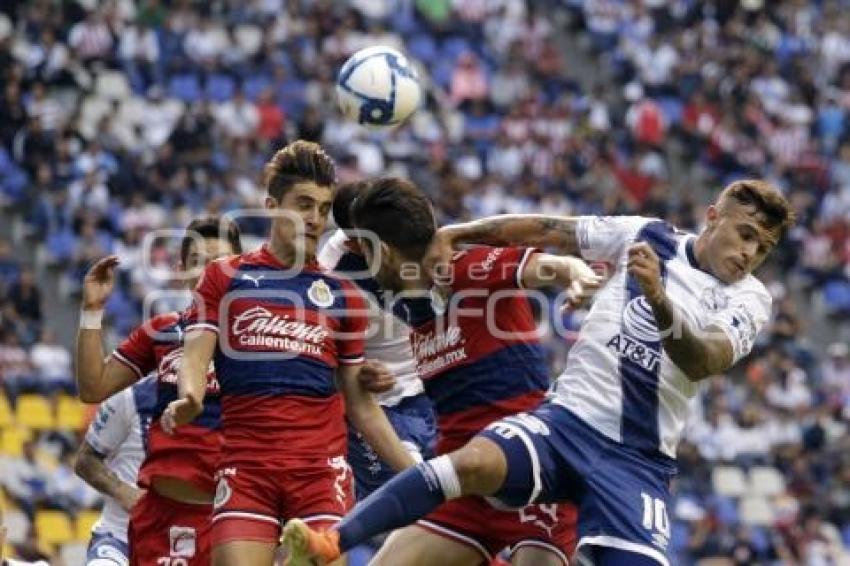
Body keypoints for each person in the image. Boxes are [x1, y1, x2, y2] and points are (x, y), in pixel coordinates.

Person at [283, 179, 796, 566]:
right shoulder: (645, 234)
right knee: (469, 465)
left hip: (636, 461)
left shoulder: (750, 298)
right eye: (745, 234)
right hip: (558, 431)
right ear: (714, 217)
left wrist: (640, 295)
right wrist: (457, 232)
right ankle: (330, 543)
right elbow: (550, 229)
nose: (750, 253)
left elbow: (703, 358)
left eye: (763, 247)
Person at [286, 177, 600, 565]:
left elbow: (544, 265)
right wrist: (363, 371)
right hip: (461, 490)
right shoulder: (404, 304)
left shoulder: (466, 268)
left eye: (366, 253)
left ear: (380, 250)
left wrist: (573, 271)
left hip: (531, 478)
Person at [163, 141, 415, 566]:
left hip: (320, 472)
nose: (315, 218)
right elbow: (195, 356)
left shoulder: (343, 296)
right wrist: (190, 396)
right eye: (303, 205)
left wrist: (420, 476)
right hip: (247, 467)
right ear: (272, 206)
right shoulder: (224, 278)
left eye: (323, 208)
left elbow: (361, 406)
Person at [75, 215, 242, 565]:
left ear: (239, 270)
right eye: (199, 262)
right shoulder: (163, 331)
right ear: (181, 270)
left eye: (221, 263)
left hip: (229, 520)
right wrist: (92, 312)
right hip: (158, 519)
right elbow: (93, 387)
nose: (210, 272)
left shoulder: (256, 337)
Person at [318, 181, 437, 564]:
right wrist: (359, 370)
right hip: (384, 407)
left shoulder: (418, 238)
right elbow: (331, 361)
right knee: (425, 512)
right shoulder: (332, 276)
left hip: (434, 388)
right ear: (354, 244)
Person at [75, 376, 157, 566]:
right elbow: (84, 460)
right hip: (120, 537)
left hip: (187, 538)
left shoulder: (225, 403)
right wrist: (121, 490)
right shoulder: (132, 396)